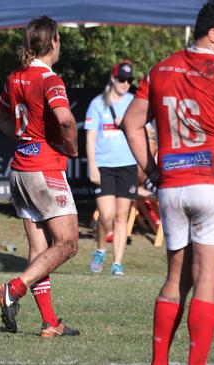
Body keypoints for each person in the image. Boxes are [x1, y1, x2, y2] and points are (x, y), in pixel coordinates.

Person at [122, 1, 214, 364]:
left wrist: (152, 168)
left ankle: (159, 361)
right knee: (208, 281)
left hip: (173, 185)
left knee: (176, 279)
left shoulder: (160, 70)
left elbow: (131, 122)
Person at [0, 16, 80, 337]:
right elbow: (66, 121)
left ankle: (49, 323)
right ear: (53, 42)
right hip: (45, 169)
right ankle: (15, 288)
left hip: (20, 168)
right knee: (68, 243)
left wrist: (22, 136)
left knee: (39, 249)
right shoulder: (51, 80)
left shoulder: (15, 77)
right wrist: (71, 148)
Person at [85, 61, 138, 276]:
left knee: (121, 217)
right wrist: (92, 166)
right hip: (104, 166)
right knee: (106, 216)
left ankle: (117, 263)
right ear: (113, 78)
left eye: (129, 80)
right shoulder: (98, 103)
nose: (126, 84)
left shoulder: (134, 102)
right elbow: (90, 137)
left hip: (127, 164)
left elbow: (144, 131)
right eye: (122, 79)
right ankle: (100, 249)